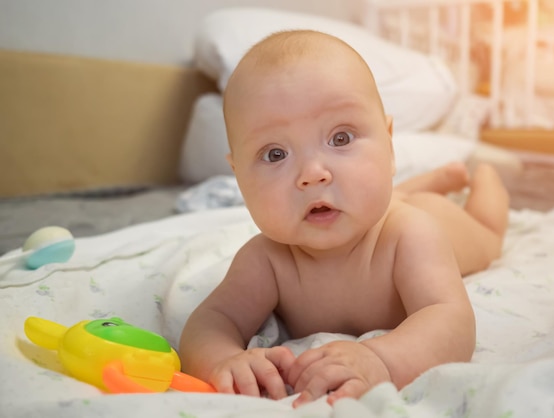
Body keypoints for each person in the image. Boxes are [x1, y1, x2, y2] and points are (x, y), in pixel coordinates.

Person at [179, 30, 509, 407]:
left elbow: (450, 319)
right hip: (374, 203)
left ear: (388, 144)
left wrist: (381, 359)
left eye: (340, 138)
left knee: (486, 233)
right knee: (374, 197)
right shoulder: (265, 260)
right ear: (238, 177)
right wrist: (222, 360)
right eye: (274, 154)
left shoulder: (411, 235)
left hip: (442, 220)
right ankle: (427, 183)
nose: (312, 173)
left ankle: (483, 180)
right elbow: (211, 321)